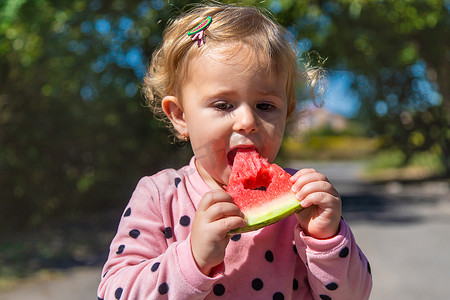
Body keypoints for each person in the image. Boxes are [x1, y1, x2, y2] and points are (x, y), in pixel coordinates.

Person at [97, 3, 372, 299]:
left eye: (265, 106)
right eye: (223, 105)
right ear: (180, 116)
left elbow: (355, 295)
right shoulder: (159, 196)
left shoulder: (301, 200)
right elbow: (114, 292)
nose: (247, 122)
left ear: (287, 114)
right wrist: (192, 260)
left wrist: (327, 240)